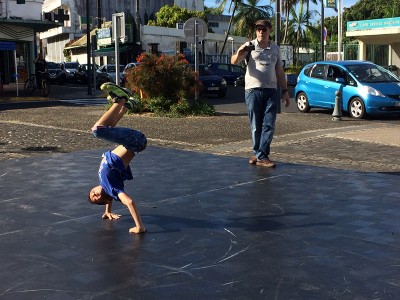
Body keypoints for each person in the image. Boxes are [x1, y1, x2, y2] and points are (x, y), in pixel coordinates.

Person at [88, 82, 147, 234]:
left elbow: (108, 197)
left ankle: (128, 105)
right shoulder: (112, 188)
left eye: (92, 194)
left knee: (107, 129)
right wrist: (139, 227)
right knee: (97, 130)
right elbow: (129, 202)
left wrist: (108, 211)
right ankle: (120, 99)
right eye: (97, 199)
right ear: (105, 198)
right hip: (135, 142)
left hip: (132, 143)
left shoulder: (105, 183)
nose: (95, 194)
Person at [231, 19, 290, 168]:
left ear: (270, 31)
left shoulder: (275, 49)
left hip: (271, 90)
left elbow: (279, 71)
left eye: (264, 29)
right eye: (258, 29)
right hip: (252, 90)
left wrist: (285, 91)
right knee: (256, 125)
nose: (261, 32)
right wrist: (239, 52)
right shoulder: (249, 46)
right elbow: (233, 61)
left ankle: (261, 155)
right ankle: (259, 154)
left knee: (269, 124)